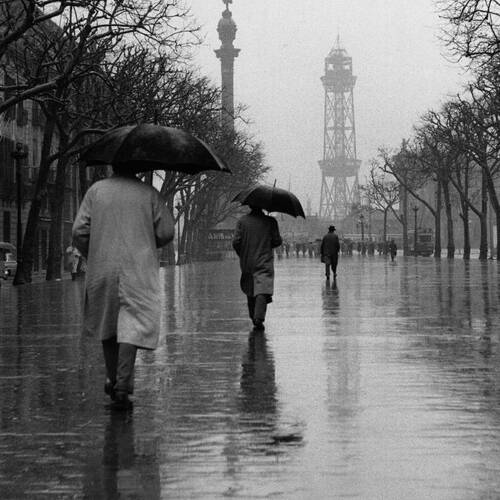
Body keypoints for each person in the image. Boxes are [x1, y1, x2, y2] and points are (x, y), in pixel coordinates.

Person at [72, 164, 174, 410]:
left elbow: (79, 230)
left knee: (108, 324)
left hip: (102, 266)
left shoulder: (96, 191)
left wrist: (92, 251)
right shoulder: (149, 194)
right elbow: (167, 231)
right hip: (138, 267)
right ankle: (122, 384)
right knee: (133, 324)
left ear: (111, 165)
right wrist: (149, 238)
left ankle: (114, 378)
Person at [232, 205, 282, 331]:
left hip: (247, 259)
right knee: (262, 288)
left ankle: (252, 314)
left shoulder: (242, 222)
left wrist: (242, 254)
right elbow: (277, 241)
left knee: (250, 287)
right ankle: (258, 317)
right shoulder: (270, 222)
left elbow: (236, 242)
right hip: (264, 259)